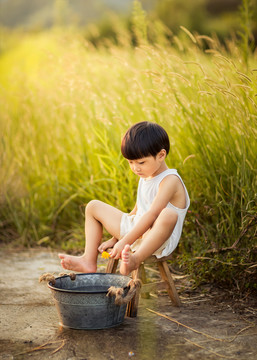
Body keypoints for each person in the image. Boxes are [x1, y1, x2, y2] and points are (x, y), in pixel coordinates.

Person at [59, 121, 190, 276]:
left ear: (161, 155)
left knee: (169, 214)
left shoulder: (170, 180)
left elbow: (152, 215)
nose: (135, 168)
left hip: (157, 238)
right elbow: (136, 212)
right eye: (130, 162)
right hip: (137, 231)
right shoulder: (146, 176)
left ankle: (135, 259)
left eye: (141, 162)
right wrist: (115, 239)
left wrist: (124, 241)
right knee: (93, 206)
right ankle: (88, 259)